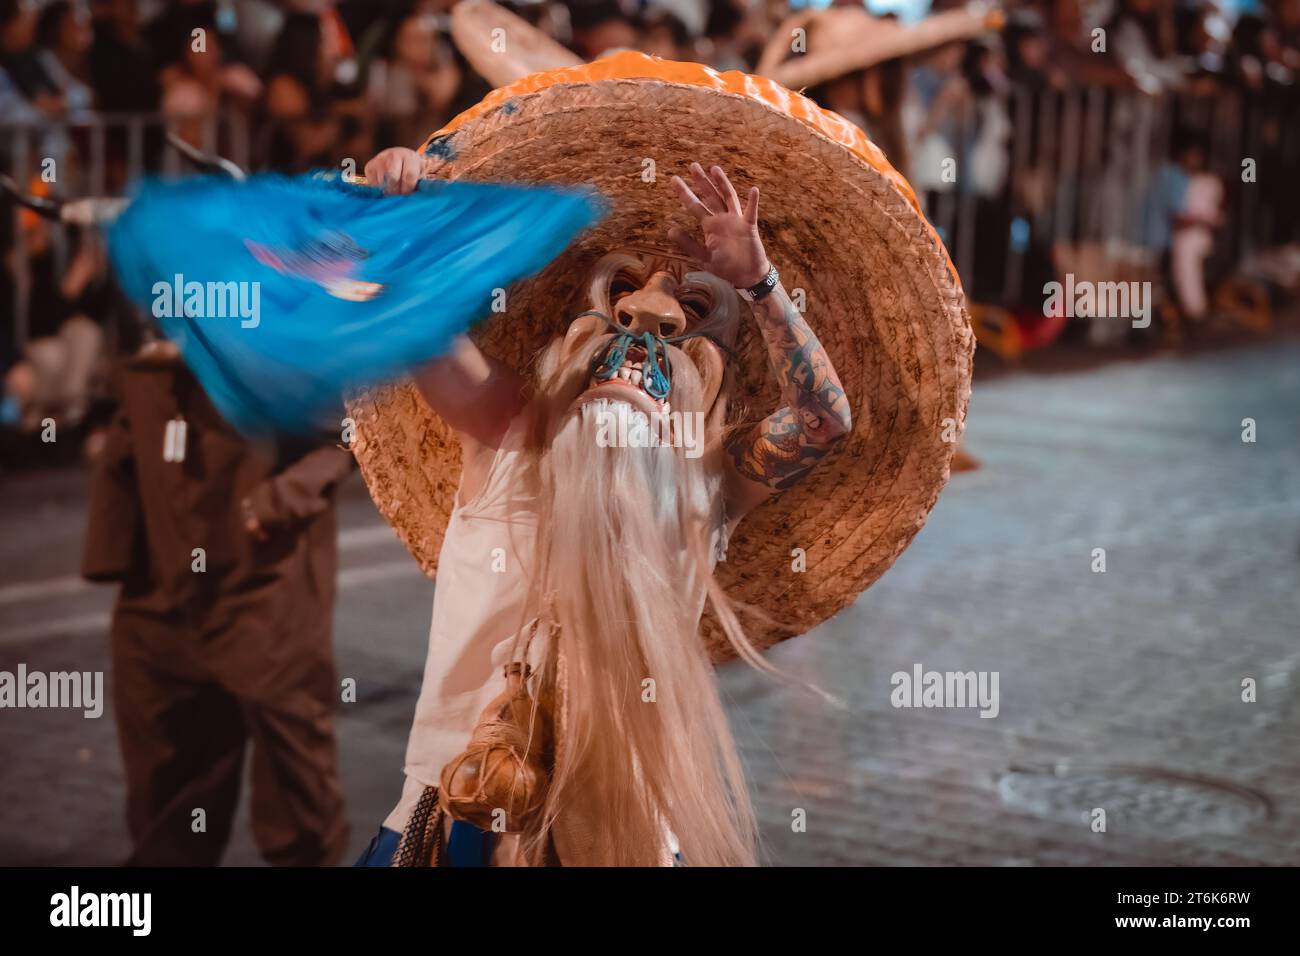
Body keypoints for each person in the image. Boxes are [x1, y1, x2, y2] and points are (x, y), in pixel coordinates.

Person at [347, 50, 972, 866]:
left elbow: (824, 418)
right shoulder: (511, 434)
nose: (650, 318)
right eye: (623, 305)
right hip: (459, 822)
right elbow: (411, 311)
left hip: (626, 834)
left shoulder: (707, 485)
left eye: (687, 314)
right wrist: (398, 198)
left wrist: (757, 282)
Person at [82, 338, 354, 866]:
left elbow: (347, 436)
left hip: (264, 592)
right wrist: (115, 556)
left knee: (295, 792)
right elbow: (124, 445)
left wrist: (277, 503)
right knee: (169, 800)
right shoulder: (146, 364)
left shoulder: (282, 342)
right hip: (161, 600)